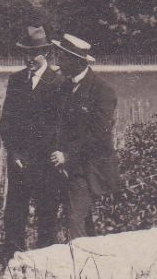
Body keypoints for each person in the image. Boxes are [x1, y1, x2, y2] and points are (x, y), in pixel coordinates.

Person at [0, 25, 69, 253]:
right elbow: (6, 122)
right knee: (15, 214)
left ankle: (44, 264)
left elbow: (59, 126)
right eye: (25, 53)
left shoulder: (58, 82)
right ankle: (11, 261)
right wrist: (14, 152)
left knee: (46, 215)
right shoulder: (16, 81)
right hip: (18, 161)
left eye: (33, 54)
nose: (28, 59)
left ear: (45, 53)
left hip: (45, 162)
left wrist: (45, 154)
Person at [50, 33, 119, 240]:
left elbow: (98, 135)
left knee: (74, 220)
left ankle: (78, 269)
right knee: (82, 220)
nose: (57, 63)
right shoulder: (64, 87)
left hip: (89, 168)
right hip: (68, 168)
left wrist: (67, 155)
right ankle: (90, 267)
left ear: (76, 61)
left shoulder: (102, 91)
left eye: (62, 58)